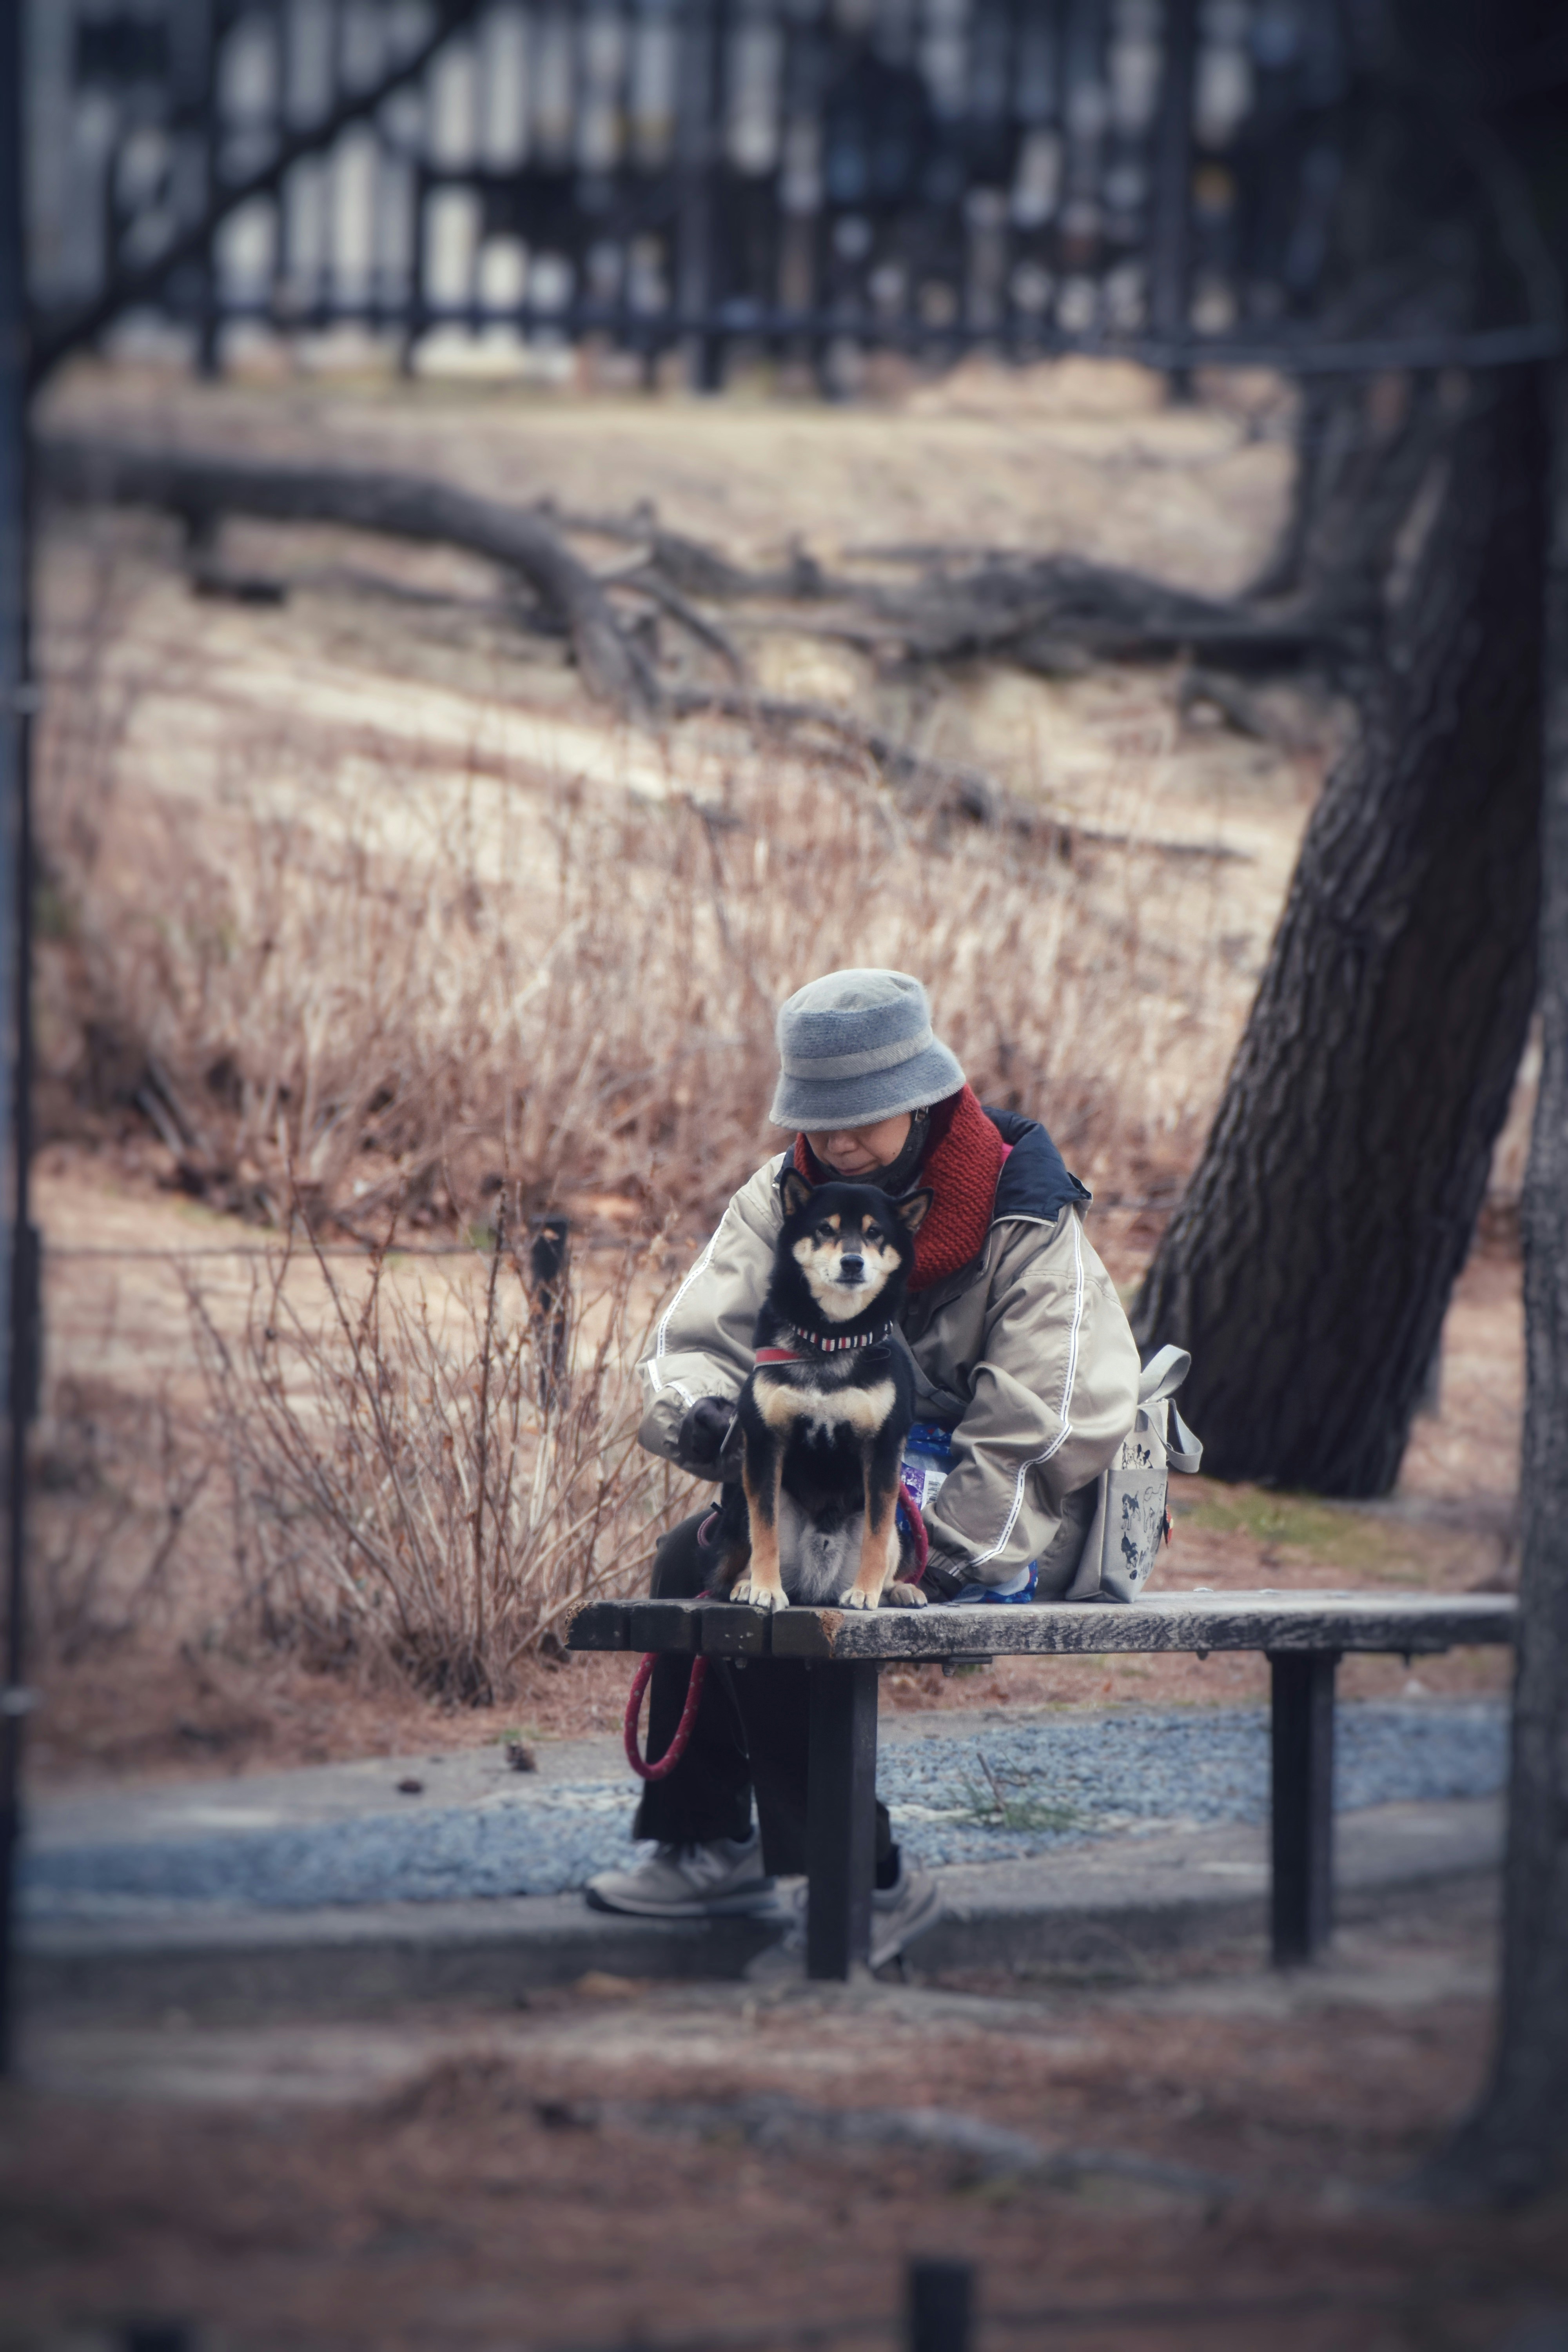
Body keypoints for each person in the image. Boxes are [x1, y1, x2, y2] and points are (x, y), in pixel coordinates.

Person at [586, 969, 1141, 1967]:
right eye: (819, 1119)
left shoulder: (1024, 1209)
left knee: (805, 1586)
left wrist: (944, 1554)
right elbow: (697, 1337)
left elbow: (1050, 1418)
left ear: (921, 1095)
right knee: (700, 1557)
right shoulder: (783, 1197)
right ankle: (704, 1841)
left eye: (861, 1120)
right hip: (848, 1490)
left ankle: (860, 1880)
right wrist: (704, 1416)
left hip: (1009, 1521)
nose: (836, 1142)